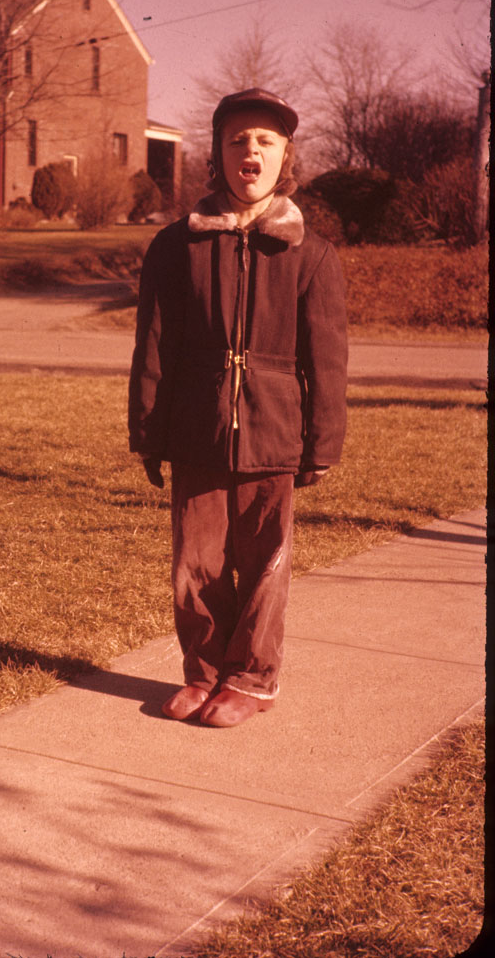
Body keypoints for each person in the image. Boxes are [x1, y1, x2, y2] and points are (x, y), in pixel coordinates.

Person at [128, 88, 348, 728]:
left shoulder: (310, 253)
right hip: (196, 428)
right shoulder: (176, 246)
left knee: (261, 563)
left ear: (285, 157)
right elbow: (154, 344)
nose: (251, 150)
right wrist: (148, 431)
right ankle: (203, 673)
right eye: (237, 140)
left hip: (273, 433)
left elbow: (327, 359)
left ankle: (251, 678)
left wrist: (322, 443)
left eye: (266, 141)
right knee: (195, 562)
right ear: (218, 155)